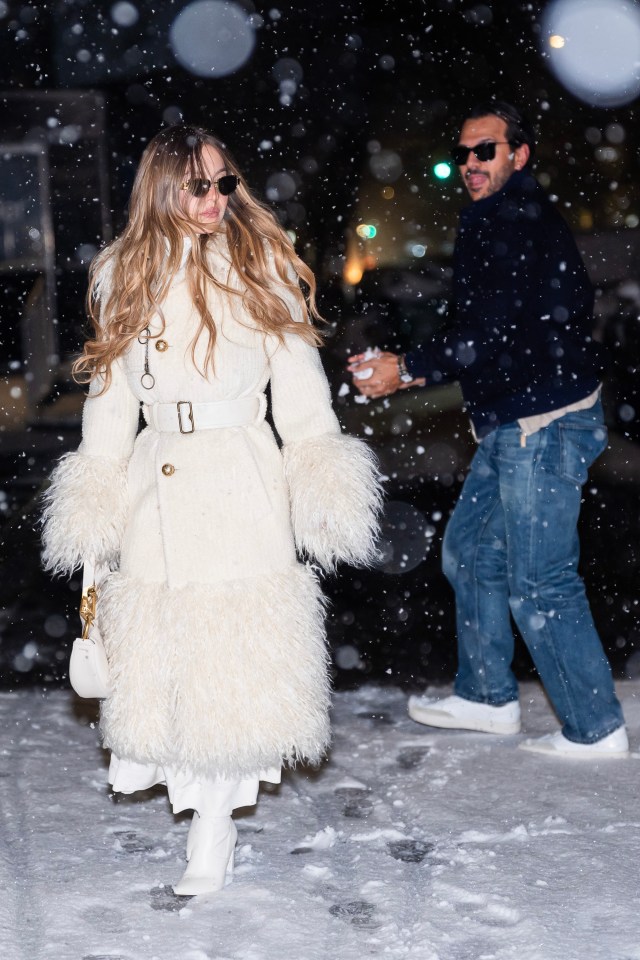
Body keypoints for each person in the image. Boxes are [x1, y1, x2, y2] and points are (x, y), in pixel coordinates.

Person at [42, 123, 383, 896]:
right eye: (200, 185)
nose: (217, 199)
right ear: (163, 189)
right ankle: (197, 806)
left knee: (234, 659)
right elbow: (109, 397)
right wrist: (94, 503)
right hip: (154, 484)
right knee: (168, 663)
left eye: (226, 183)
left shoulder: (260, 265)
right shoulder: (120, 275)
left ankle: (215, 826)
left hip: (239, 479)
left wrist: (319, 479)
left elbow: (299, 389)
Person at [348, 100, 628, 759]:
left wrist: (409, 366)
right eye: (465, 153)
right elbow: (497, 330)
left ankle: (596, 727)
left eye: (487, 151)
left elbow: (493, 331)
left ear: (519, 155)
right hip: (514, 422)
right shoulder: (496, 218)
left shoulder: (511, 219)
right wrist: (410, 370)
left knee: (541, 580)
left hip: (542, 425)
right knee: (470, 553)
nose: (471, 164)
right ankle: (486, 698)